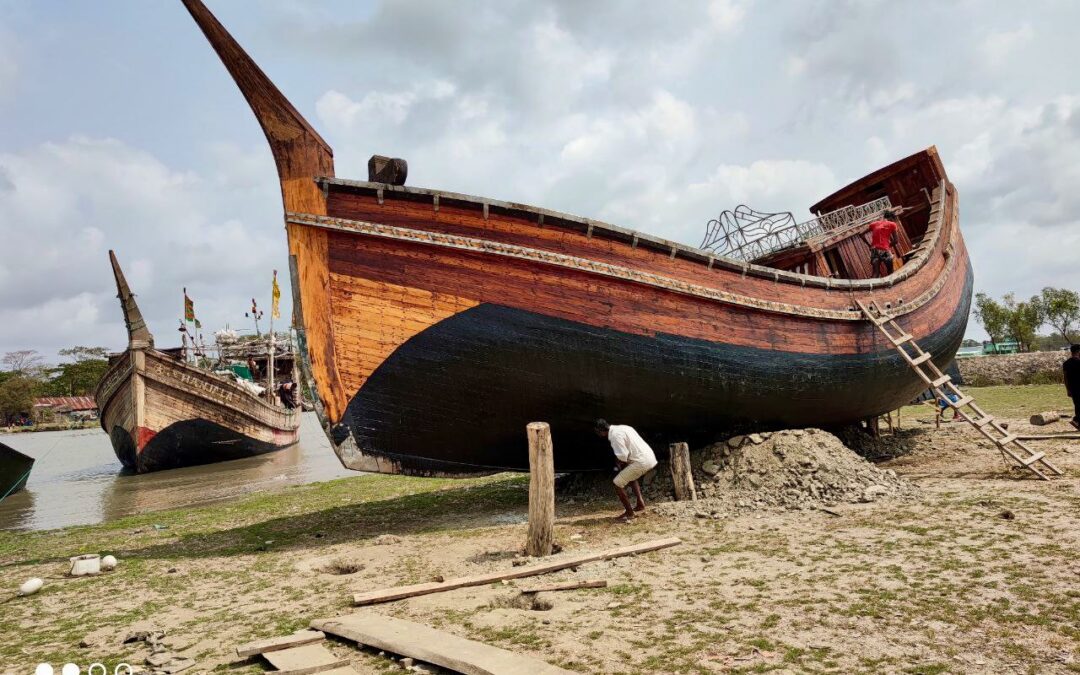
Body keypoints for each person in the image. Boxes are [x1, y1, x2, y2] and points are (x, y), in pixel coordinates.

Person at [594, 419, 658, 521]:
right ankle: (640, 503)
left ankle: (629, 513)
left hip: (641, 462)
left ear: (600, 431)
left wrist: (617, 462)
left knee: (617, 483)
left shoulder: (615, 436)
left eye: (597, 433)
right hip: (649, 457)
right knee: (628, 473)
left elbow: (623, 456)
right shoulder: (624, 427)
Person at [867, 209, 900, 277]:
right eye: (894, 219)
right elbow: (896, 241)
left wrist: (869, 245)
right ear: (891, 218)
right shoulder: (892, 224)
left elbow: (861, 234)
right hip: (884, 250)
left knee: (875, 272)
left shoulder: (874, 224)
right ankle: (892, 286)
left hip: (874, 250)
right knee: (890, 271)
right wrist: (888, 246)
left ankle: (873, 286)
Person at [1064, 345, 1080, 430]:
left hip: (1073, 389)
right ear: (1078, 351)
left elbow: (1065, 378)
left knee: (1077, 405)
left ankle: (1076, 421)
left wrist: (1068, 389)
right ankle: (1076, 420)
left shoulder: (1066, 363)